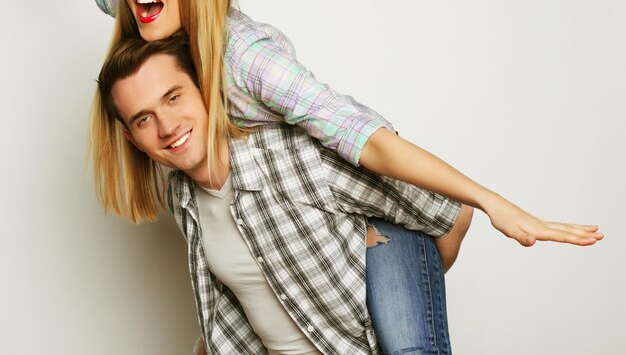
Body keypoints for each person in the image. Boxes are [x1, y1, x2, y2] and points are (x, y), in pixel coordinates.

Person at [17, 0, 602, 354]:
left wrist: (493, 202)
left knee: (407, 345)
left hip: (377, 201)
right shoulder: (154, 36)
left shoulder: (244, 59)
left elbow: (361, 135)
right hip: (313, 212)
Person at [96, 34, 600, 354]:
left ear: (208, 89)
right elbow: (229, 309)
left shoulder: (294, 159)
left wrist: (397, 275)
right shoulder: (182, 197)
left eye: (174, 97)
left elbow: (447, 215)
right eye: (143, 118)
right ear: (131, 138)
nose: (166, 125)